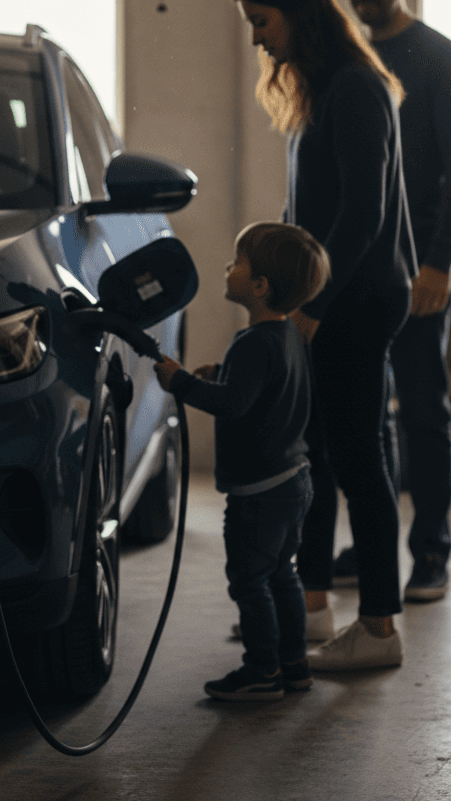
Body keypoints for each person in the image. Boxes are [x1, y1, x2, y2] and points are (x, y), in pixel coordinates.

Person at [234, 0, 417, 673]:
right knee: (313, 452)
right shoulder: (320, 87)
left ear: (297, 11)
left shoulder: (353, 88)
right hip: (329, 301)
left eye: (261, 21)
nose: (256, 39)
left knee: (358, 457)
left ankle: (379, 628)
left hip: (358, 302)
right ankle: (310, 606)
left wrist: (312, 306)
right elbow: (307, 209)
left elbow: (364, 215)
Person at [332, 0, 451, 601]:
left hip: (418, 271)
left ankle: (432, 554)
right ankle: (371, 549)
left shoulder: (439, 59)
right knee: (364, 416)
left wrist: (441, 263)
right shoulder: (343, 61)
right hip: (357, 271)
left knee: (423, 411)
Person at [155, 222, 330, 701]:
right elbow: (259, 392)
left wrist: (182, 383)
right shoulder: (289, 335)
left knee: (250, 582)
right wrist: (223, 375)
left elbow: (233, 405)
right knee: (282, 574)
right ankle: (294, 666)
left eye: (237, 263)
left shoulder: (252, 343)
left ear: (259, 287)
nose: (227, 269)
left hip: (259, 494)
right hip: (294, 480)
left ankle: (261, 672)